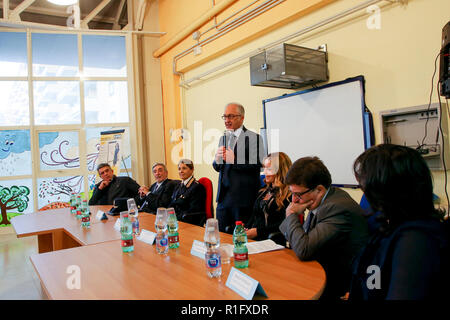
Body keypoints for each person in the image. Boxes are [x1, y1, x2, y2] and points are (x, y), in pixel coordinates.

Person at [349, 144, 449, 300]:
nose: (365, 193)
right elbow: (375, 280)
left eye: (366, 187)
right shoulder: (392, 226)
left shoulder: (416, 241)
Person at [279, 156, 369, 300]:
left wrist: (291, 215)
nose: (294, 200)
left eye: (298, 194)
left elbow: (303, 249)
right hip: (321, 269)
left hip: (341, 283)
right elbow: (293, 237)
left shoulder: (336, 208)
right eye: (292, 193)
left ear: (319, 189)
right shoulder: (323, 199)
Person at [213, 102, 266, 232]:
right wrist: (216, 160)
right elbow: (219, 167)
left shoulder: (254, 138)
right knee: (223, 238)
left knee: (240, 241)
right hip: (223, 199)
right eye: (224, 117)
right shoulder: (223, 138)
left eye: (230, 116)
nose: (226, 120)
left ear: (241, 118)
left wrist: (235, 160)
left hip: (243, 200)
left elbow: (258, 164)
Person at [245, 152, 292, 245]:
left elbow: (284, 224)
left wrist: (258, 231)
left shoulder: (289, 195)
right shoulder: (263, 191)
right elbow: (255, 215)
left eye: (269, 169)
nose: (264, 172)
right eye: (264, 168)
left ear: (280, 171)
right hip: (255, 241)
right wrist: (246, 228)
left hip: (272, 242)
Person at [169, 159, 206, 225]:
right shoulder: (178, 186)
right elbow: (172, 204)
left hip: (188, 223)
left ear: (192, 170)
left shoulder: (197, 187)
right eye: (179, 169)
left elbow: (193, 211)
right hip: (175, 221)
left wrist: (174, 218)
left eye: (184, 168)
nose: (181, 171)